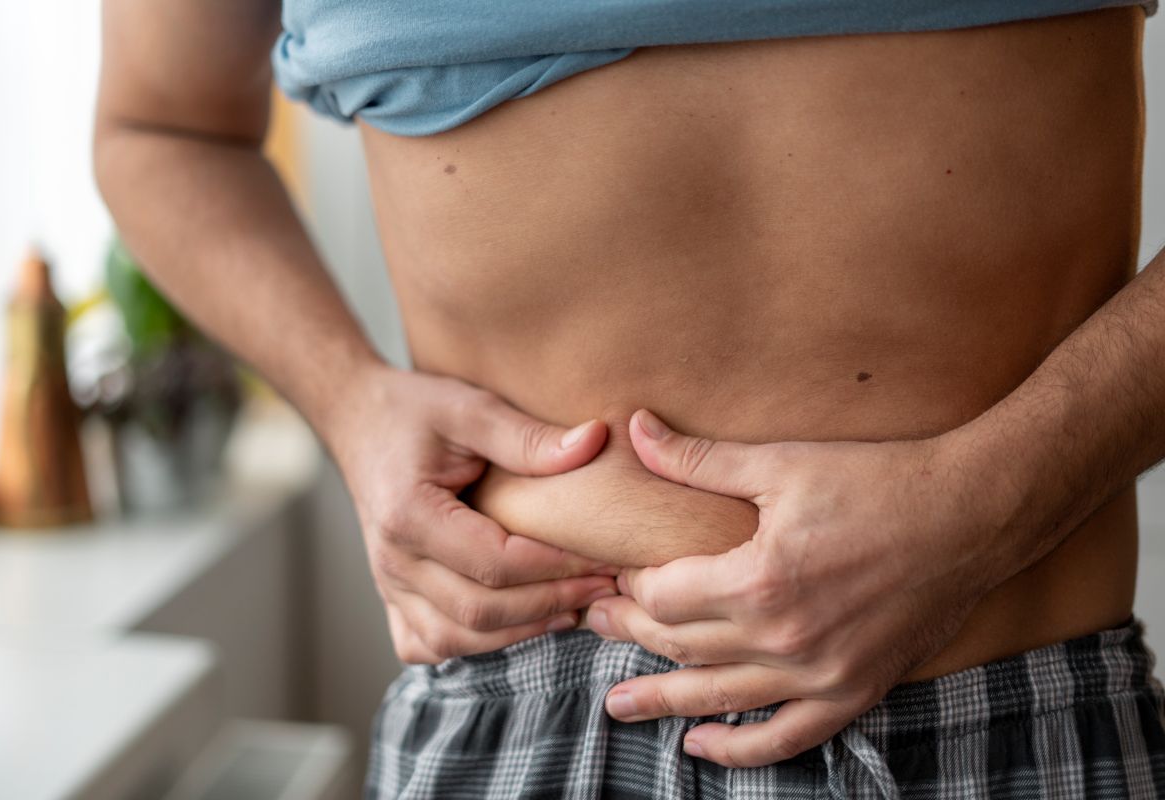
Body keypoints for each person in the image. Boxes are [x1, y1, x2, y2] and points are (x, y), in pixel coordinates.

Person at [94, 0, 1165, 796]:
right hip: (515, 728)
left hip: (1009, 710)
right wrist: (350, 399)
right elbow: (161, 128)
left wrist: (987, 502)